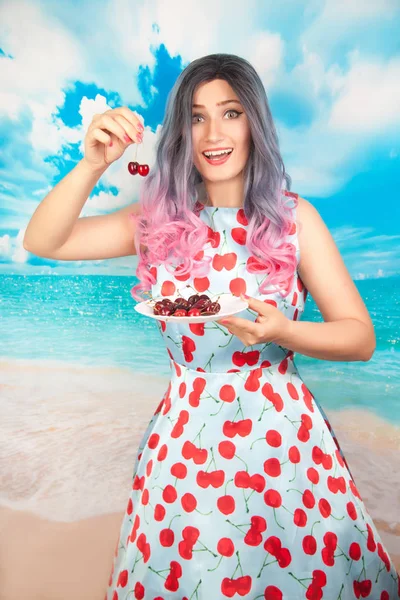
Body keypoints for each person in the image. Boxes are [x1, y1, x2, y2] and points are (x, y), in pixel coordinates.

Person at [23, 53, 400, 599]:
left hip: (285, 445)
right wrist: (92, 164)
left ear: (255, 124)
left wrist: (283, 332)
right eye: (197, 117)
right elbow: (44, 242)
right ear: (181, 132)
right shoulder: (159, 223)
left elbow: (360, 337)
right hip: (185, 445)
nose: (213, 133)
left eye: (231, 113)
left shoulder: (297, 219)